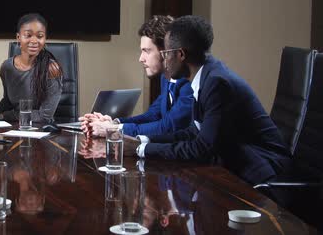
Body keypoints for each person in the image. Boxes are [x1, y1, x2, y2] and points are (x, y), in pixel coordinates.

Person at [124, 15, 290, 185]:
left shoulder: (217, 84)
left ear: (180, 54)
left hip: (265, 175)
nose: (165, 61)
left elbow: (202, 148)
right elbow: (193, 132)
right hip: (239, 168)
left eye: (166, 54)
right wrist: (143, 141)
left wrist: (140, 149)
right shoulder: (205, 75)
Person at [81, 16, 194, 137]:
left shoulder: (189, 82)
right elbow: (152, 115)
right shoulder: (165, 78)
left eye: (147, 51)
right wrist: (114, 122)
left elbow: (169, 126)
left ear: (166, 51)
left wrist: (114, 129)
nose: (141, 59)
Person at [0, 13, 62, 124]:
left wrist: (4, 115)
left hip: (40, 131)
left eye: (39, 36)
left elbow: (44, 116)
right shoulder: (7, 67)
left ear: (45, 39)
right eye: (28, 35)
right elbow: (8, 101)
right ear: (18, 38)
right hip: (13, 128)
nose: (34, 41)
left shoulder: (51, 69)